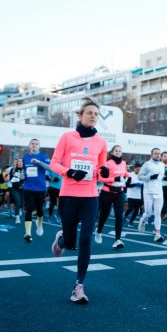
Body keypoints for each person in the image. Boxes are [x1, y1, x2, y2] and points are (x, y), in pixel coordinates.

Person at [49, 97, 108, 304]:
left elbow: (101, 171)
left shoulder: (101, 142)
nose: (93, 116)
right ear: (80, 115)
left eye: (96, 114)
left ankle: (79, 286)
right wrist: (69, 171)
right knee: (72, 242)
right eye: (89, 113)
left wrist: (104, 171)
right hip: (68, 195)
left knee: (85, 239)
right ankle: (61, 240)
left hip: (90, 196)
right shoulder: (67, 138)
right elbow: (54, 164)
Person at [95, 145, 130, 249]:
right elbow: (100, 178)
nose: (118, 152)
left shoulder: (123, 163)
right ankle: (99, 231)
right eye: (116, 151)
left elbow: (125, 173)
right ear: (112, 152)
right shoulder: (107, 163)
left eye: (120, 151)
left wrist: (129, 177)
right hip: (107, 193)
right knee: (104, 215)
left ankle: (117, 240)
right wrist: (113, 179)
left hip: (120, 193)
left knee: (119, 216)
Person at [23, 138, 51, 242]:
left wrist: (39, 162)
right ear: (29, 146)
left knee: (39, 210)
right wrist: (21, 175)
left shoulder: (43, 157)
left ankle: (39, 224)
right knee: (29, 209)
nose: (34, 145)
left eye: (36, 144)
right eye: (32, 144)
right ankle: (28, 233)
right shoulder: (25, 158)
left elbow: (50, 168)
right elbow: (23, 172)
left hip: (40, 188)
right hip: (28, 187)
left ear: (39, 146)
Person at [138, 148, 166, 243]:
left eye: (159, 153)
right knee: (149, 213)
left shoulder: (162, 165)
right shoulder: (147, 164)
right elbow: (139, 176)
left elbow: (160, 177)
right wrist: (150, 177)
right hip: (148, 191)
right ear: (152, 154)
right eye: (155, 153)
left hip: (159, 191)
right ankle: (143, 219)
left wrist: (164, 179)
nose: (157, 155)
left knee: (158, 213)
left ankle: (157, 233)